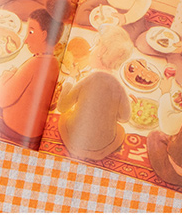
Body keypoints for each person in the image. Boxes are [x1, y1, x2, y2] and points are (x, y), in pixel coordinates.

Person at [56, 25, 132, 161]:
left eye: (96, 45)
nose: (91, 50)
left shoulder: (88, 80)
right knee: (120, 130)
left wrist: (71, 78)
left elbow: (62, 106)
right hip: (103, 145)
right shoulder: (119, 87)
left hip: (74, 141)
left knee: (65, 115)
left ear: (101, 52)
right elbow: (124, 118)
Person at [0, 6, 64, 148]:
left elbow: (2, 100)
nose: (25, 40)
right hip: (35, 131)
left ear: (43, 35)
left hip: (16, 130)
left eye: (31, 32)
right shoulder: (54, 63)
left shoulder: (34, 64)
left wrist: (4, 77)